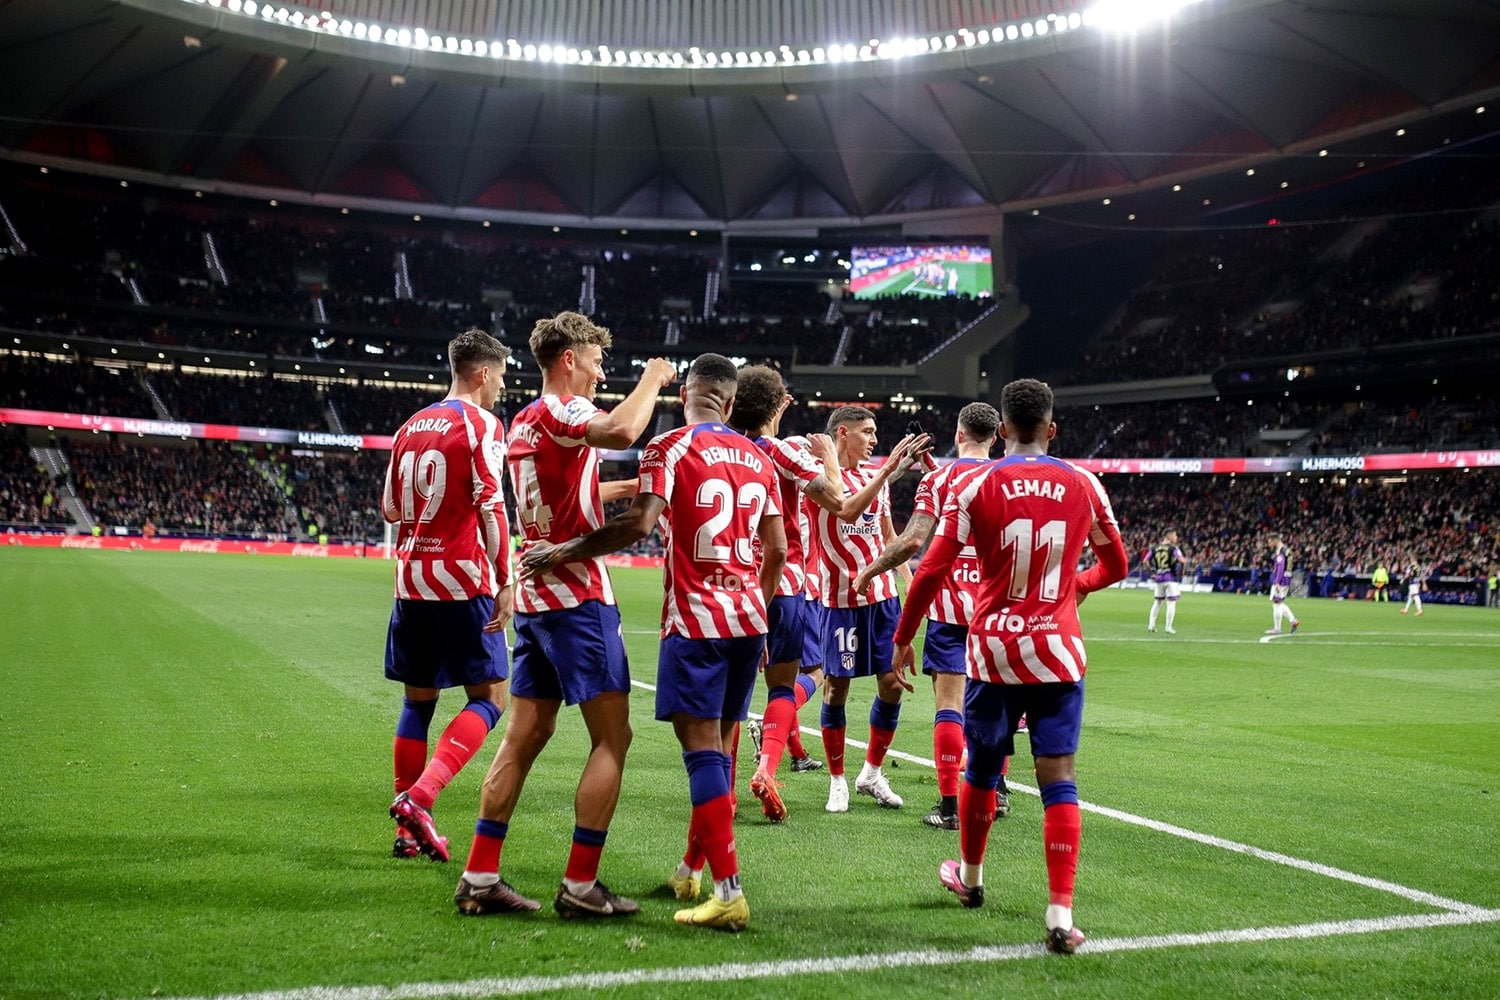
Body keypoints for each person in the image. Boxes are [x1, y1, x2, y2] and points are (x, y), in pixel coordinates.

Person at [521, 353, 787, 933]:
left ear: (684, 394)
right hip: (749, 620)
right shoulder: (758, 457)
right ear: (732, 401)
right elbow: (779, 551)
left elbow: (639, 526)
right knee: (720, 746)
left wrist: (563, 551)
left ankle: (728, 891)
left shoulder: (668, 449)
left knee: (702, 755)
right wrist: (759, 611)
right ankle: (692, 870)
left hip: (696, 623)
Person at [891, 377, 1128, 955]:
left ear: (1001, 430)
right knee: (1059, 778)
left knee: (981, 770)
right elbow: (1116, 564)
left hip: (993, 651)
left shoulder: (975, 487)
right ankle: (1059, 917)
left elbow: (928, 571)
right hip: (1058, 651)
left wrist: (903, 639)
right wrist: (1077, 585)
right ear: (1051, 429)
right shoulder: (1085, 484)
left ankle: (970, 881)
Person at [453, 311, 678, 917]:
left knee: (524, 736)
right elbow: (625, 430)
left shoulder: (523, 421)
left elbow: (565, 488)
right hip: (576, 596)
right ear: (568, 360)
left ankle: (478, 875)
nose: (603, 371)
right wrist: (654, 379)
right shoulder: (564, 409)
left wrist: (635, 492)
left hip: (535, 597)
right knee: (614, 736)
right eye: (597, 360)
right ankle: (581, 885)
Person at [383, 328, 513, 864]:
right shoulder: (482, 424)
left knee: (418, 702)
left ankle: (405, 831)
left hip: (411, 581)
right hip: (463, 584)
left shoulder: (409, 426)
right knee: (489, 698)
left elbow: (392, 510)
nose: (503, 386)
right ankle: (420, 797)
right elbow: (491, 506)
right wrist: (505, 579)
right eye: (502, 375)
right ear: (482, 372)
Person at [852, 402, 1001, 831]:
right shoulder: (1008, 478)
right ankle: (998, 791)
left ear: (958, 433)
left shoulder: (939, 479)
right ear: (995, 436)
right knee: (992, 707)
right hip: (996, 610)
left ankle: (951, 806)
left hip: (950, 609)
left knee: (950, 707)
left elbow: (912, 542)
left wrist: (870, 570)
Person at [724, 365, 849, 823]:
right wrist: (832, 456)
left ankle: (726, 798)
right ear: (780, 406)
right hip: (785, 586)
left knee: (732, 695)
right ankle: (768, 768)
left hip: (733, 584)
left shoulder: (718, 449)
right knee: (784, 684)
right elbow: (836, 498)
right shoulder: (783, 453)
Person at [811, 406, 927, 813]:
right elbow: (846, 508)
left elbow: (891, 538)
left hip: (882, 600)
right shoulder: (819, 478)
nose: (875, 439)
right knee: (836, 688)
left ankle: (872, 773)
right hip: (840, 603)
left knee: (892, 684)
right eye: (868, 431)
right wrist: (888, 469)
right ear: (843, 433)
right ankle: (837, 780)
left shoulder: (876, 479)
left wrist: (910, 589)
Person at [1145, 528, 1185, 634]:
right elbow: (1182, 561)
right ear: (1169, 536)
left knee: (1157, 602)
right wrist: (1182, 572)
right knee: (1171, 603)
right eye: (1175, 536)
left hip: (1159, 578)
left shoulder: (1155, 548)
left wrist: (1151, 573)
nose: (1176, 538)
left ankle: (1151, 625)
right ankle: (1168, 627)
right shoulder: (1173, 548)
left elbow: (1145, 561)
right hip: (1171, 578)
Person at [1265, 534, 1301, 635]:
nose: (1269, 544)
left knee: (1276, 604)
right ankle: (1293, 621)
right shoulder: (1287, 550)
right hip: (1287, 578)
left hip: (1281, 580)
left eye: (1270, 541)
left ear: (1275, 540)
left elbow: (1281, 567)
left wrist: (1277, 582)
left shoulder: (1281, 551)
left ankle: (1277, 629)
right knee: (1279, 603)